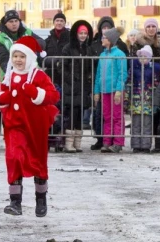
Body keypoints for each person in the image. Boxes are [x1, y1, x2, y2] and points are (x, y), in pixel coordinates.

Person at [0, 36, 60, 217]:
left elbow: (54, 96)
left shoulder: (38, 75)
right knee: (14, 157)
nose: (18, 60)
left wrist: (36, 93)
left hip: (35, 126)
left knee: (38, 161)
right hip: (14, 125)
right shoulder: (9, 75)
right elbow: (1, 95)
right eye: (15, 56)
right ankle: (15, 202)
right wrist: (3, 99)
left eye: (22, 56)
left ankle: (41, 199)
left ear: (30, 58)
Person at [89, 16, 128, 151]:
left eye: (104, 37)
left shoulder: (120, 54)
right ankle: (107, 141)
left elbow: (122, 74)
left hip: (115, 90)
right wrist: (96, 91)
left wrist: (119, 90)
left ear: (110, 40)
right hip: (104, 90)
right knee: (107, 116)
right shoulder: (102, 55)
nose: (101, 39)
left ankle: (117, 142)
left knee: (117, 116)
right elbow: (99, 75)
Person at [61, 20, 94, 153]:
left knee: (81, 114)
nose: (83, 35)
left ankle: (77, 143)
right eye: (81, 33)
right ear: (76, 33)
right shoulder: (68, 48)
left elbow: (91, 66)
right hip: (71, 86)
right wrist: (71, 79)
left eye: (85, 33)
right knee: (72, 113)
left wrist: (88, 79)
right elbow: (63, 67)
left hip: (83, 86)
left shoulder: (88, 49)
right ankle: (69, 143)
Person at [128, 45, 160, 153]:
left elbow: (156, 85)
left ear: (150, 58)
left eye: (146, 57)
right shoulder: (134, 69)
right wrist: (127, 99)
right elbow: (129, 83)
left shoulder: (154, 70)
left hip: (148, 100)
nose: (143, 59)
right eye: (141, 56)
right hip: (136, 100)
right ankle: (136, 145)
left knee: (147, 124)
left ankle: (146, 145)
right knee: (136, 123)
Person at [0, 9, 45, 80]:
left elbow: (42, 43)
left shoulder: (27, 32)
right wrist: (17, 73)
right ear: (5, 23)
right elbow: (3, 60)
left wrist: (28, 43)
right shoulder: (0, 38)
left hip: (32, 73)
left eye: (16, 21)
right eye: (11, 21)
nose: (14, 24)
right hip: (11, 76)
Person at [44, 12, 71, 86]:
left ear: (65, 23)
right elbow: (42, 59)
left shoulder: (70, 39)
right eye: (57, 20)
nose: (59, 23)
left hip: (66, 75)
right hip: (50, 75)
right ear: (54, 22)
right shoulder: (48, 40)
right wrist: (55, 62)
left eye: (61, 21)